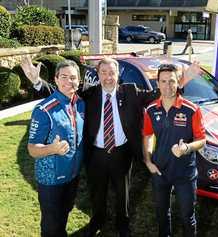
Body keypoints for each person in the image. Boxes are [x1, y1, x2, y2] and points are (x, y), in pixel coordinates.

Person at [22, 56, 200, 237]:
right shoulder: (89, 94)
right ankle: (98, 219)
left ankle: (122, 223)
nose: (108, 77)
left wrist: (185, 78)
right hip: (95, 154)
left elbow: (160, 92)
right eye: (104, 72)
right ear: (97, 74)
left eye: (112, 73)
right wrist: (37, 82)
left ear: (118, 74)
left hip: (121, 153)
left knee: (123, 193)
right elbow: (61, 93)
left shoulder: (130, 91)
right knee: (97, 192)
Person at [142, 64, 206, 237]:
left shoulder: (192, 110)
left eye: (171, 81)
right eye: (163, 81)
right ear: (157, 83)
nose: (167, 86)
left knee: (187, 216)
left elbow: (202, 140)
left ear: (178, 82)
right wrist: (148, 161)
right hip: (159, 172)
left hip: (185, 173)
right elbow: (147, 136)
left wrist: (186, 148)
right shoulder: (151, 109)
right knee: (161, 215)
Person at [27, 60, 85, 237]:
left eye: (73, 77)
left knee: (63, 217)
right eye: (64, 77)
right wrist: (52, 148)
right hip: (51, 180)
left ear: (79, 80)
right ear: (56, 79)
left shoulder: (80, 103)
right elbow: (32, 149)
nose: (69, 81)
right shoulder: (44, 110)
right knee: (51, 227)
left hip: (72, 176)